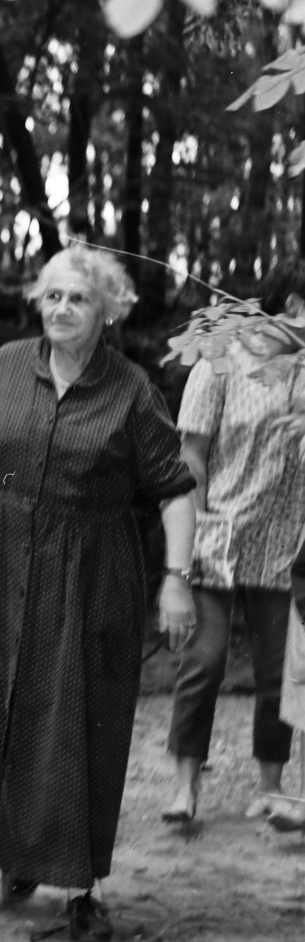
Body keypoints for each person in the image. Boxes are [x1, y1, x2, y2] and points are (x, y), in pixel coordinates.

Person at [0, 243, 197, 942]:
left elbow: (174, 494)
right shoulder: (1, 369)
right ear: (37, 303)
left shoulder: (133, 390)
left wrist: (177, 579)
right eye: (53, 296)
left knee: (77, 722)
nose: (63, 308)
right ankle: (20, 853)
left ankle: (80, 887)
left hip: (91, 571)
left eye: (79, 298)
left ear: (108, 310)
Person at [161, 261, 305, 824]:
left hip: (285, 545)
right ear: (292, 305)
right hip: (217, 535)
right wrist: (194, 529)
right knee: (205, 661)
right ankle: (184, 789)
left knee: (280, 671)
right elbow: (191, 456)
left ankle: (270, 788)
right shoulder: (220, 361)